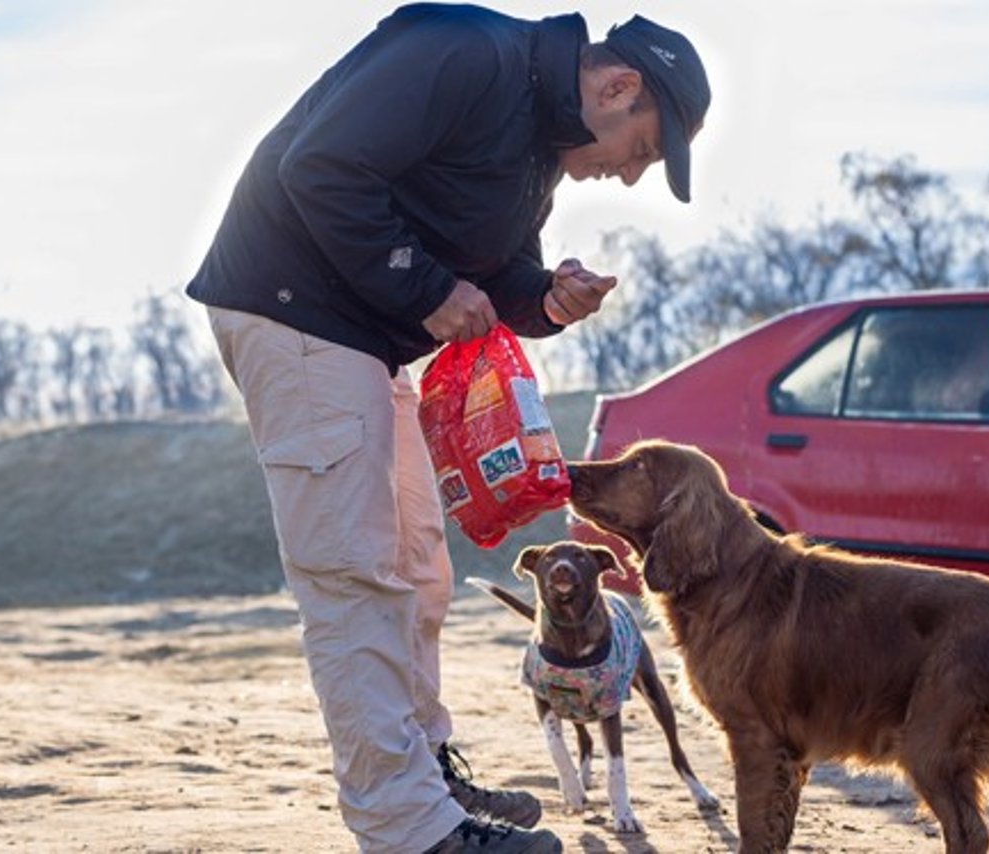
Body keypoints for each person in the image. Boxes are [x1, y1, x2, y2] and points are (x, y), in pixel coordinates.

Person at [185, 4, 709, 852]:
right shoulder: (466, 53)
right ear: (619, 87)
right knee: (354, 575)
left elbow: (492, 272)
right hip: (293, 312)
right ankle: (409, 830)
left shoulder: (534, 149)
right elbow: (320, 169)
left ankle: (425, 776)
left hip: (359, 340)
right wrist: (428, 289)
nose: (631, 176)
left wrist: (542, 296)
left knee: (418, 566)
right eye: (643, 150)